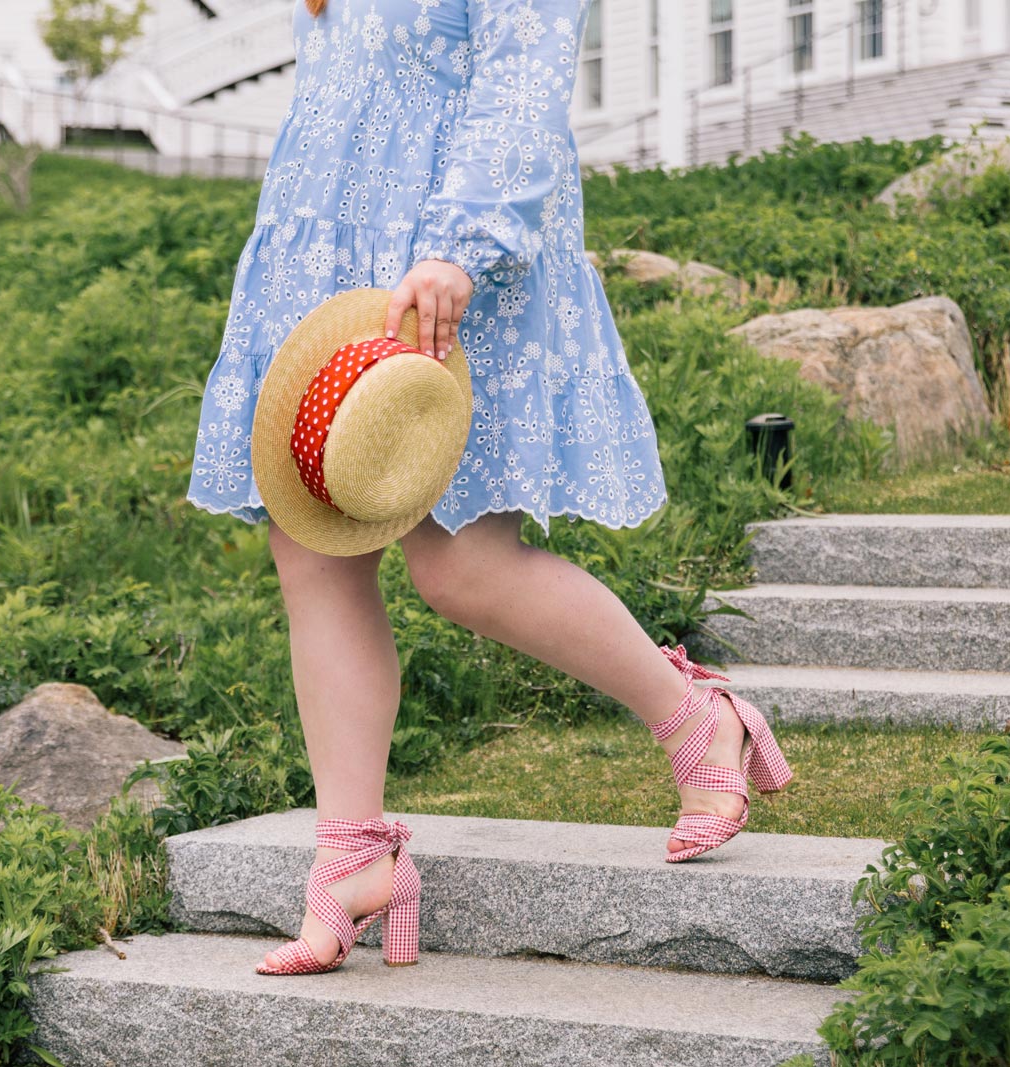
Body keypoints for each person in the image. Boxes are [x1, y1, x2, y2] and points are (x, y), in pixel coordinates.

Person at [185, 0, 792, 976]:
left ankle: (695, 716)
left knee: (462, 566)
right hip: (326, 258)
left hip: (444, 263)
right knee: (312, 547)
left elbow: (521, 74)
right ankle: (350, 853)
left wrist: (460, 243)